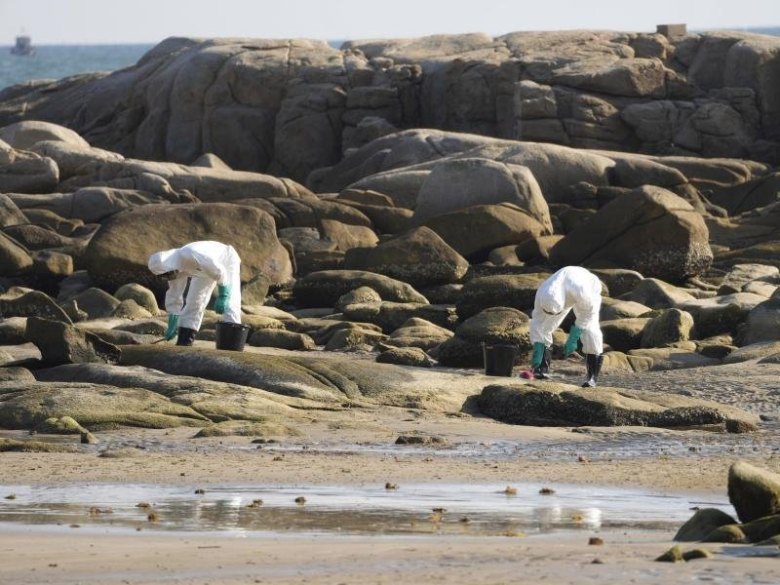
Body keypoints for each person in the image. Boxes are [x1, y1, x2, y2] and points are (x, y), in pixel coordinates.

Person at [147, 241, 241, 346]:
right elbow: (174, 294)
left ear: (169, 268)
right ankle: (184, 342)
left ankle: (231, 349)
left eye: (167, 275)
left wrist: (224, 294)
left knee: (230, 305)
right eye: (164, 276)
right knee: (193, 302)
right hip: (202, 271)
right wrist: (172, 321)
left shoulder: (191, 254)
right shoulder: (172, 269)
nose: (168, 278)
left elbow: (220, 271)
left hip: (225, 262)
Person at [529, 266, 604, 387]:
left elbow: (588, 314)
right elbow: (536, 322)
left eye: (553, 313)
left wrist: (574, 337)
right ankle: (541, 369)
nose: (551, 316)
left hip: (589, 290)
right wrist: (538, 347)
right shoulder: (542, 293)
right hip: (562, 296)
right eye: (548, 312)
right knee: (543, 327)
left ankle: (592, 378)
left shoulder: (582, 290)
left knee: (590, 331)